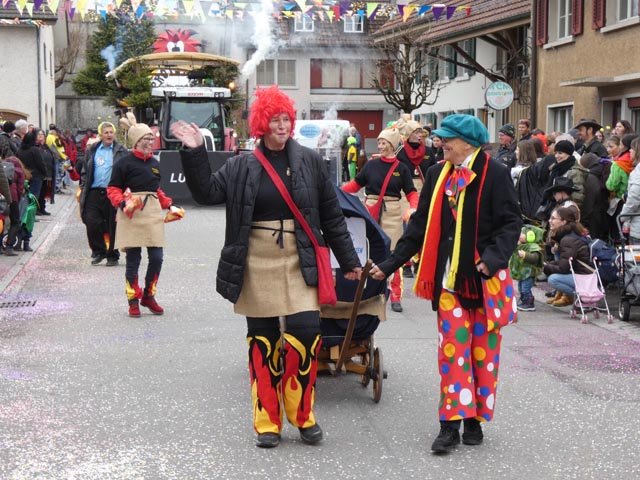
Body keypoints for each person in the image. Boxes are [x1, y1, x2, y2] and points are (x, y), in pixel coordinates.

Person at [172, 85, 362, 449]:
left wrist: (349, 260)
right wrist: (195, 152)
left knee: (306, 336)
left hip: (300, 256)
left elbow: (331, 215)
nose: (282, 125)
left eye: (286, 119)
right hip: (256, 259)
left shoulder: (310, 161)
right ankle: (267, 420)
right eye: (274, 120)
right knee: (263, 342)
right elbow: (207, 193)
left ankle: (302, 414)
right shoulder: (241, 165)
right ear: (262, 124)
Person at [369, 114, 522, 454]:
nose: (440, 144)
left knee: (483, 355)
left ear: (467, 143)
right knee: (453, 353)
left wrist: (492, 259)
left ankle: (474, 420)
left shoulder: (495, 174)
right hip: (449, 282)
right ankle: (449, 425)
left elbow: (511, 223)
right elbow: (419, 226)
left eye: (447, 139)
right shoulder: (438, 173)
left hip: (483, 282)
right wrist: (390, 264)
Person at [106, 114, 181, 317]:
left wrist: (170, 205)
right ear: (136, 142)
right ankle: (133, 300)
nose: (150, 142)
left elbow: (156, 191)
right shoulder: (123, 163)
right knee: (133, 259)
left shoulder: (155, 163)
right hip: (131, 214)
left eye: (151, 138)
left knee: (157, 258)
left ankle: (148, 295)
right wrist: (123, 203)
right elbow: (113, 188)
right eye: (146, 139)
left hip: (152, 214)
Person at [342, 127, 418, 313]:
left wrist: (413, 208)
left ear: (392, 145)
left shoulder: (402, 168)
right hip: (370, 210)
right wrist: (336, 193)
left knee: (394, 255)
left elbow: (411, 192)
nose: (380, 146)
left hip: (392, 212)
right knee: (368, 252)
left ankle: (396, 296)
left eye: (384, 143)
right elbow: (355, 185)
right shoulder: (371, 165)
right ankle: (368, 293)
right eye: (379, 143)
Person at [80, 122, 128, 266]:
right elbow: (85, 170)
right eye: (106, 132)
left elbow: (127, 170)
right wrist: (83, 185)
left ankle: (112, 255)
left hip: (113, 192)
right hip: (94, 191)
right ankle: (99, 251)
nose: (109, 135)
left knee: (113, 224)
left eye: (111, 132)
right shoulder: (92, 149)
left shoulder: (121, 150)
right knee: (91, 221)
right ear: (101, 135)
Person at [543, 207, 592, 307]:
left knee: (553, 279)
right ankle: (565, 296)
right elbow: (566, 262)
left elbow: (563, 268)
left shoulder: (568, 239)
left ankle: (582, 297)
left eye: (553, 218)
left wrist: (546, 267)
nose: (550, 221)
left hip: (584, 277)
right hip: (586, 274)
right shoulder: (573, 234)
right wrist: (550, 264)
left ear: (563, 222)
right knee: (552, 269)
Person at [509, 224, 544, 311]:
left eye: (522, 233)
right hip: (522, 272)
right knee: (520, 287)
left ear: (530, 235)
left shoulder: (533, 246)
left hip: (529, 273)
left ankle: (529, 303)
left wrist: (525, 255)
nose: (519, 234)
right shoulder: (520, 244)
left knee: (525, 288)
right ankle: (524, 301)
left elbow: (535, 258)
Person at [2, 156, 25, 256]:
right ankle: (9, 247)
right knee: (15, 221)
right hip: (12, 197)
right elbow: (20, 187)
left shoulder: (2, 167)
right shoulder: (19, 171)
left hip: (1, 196)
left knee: (2, 220)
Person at [619, 137, 640, 243]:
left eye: (632, 148)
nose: (630, 151)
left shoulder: (638, 173)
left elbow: (634, 199)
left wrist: (622, 217)